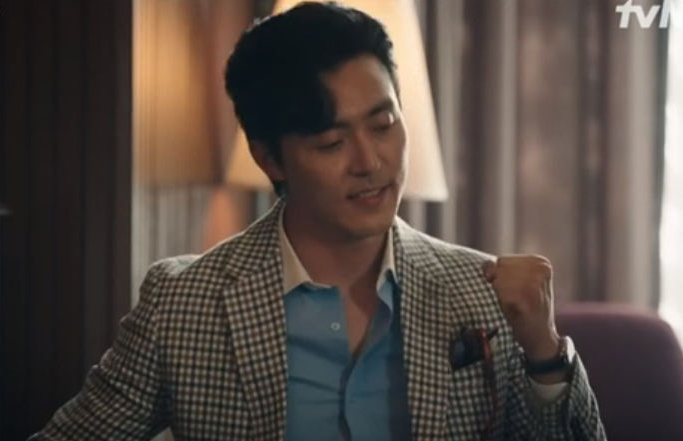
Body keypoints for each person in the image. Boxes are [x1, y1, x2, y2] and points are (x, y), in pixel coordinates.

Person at [30, 2, 607, 440]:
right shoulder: (184, 304)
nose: (370, 161)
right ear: (269, 157)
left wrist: (544, 352)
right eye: (332, 142)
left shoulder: (484, 293)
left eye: (383, 125)